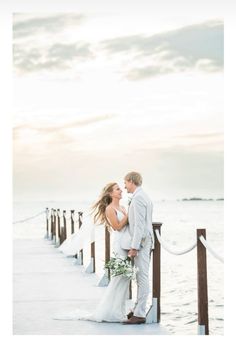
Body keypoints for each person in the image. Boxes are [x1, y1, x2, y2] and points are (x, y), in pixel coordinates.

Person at [54, 182, 132, 322]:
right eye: (117, 189)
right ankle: (112, 312)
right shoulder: (110, 209)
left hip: (127, 244)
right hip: (119, 245)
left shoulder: (123, 207)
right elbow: (117, 227)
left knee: (125, 278)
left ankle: (119, 311)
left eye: (120, 188)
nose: (121, 190)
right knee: (119, 277)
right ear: (110, 193)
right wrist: (129, 214)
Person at [123, 171, 154, 325]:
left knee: (142, 278)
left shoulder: (139, 198)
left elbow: (140, 225)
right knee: (140, 277)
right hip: (144, 241)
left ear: (131, 181)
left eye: (126, 182)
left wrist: (134, 247)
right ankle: (137, 310)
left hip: (142, 242)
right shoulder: (143, 196)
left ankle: (140, 313)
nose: (124, 186)